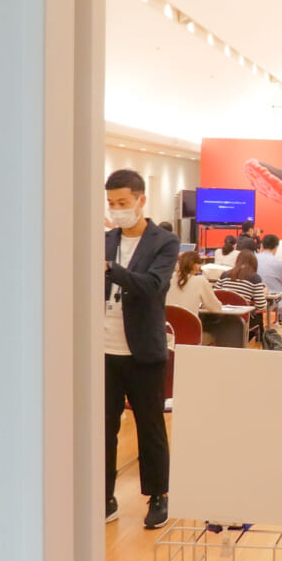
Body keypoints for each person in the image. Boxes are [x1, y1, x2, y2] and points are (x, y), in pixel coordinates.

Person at [103, 168, 179, 529]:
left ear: (141, 200)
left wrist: (110, 269)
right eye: (111, 203)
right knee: (103, 429)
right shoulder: (105, 240)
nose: (117, 210)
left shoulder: (164, 242)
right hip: (104, 350)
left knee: (150, 427)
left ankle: (158, 495)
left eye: (123, 202)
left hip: (144, 352)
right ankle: (104, 495)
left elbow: (152, 286)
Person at [216, 250, 272, 341]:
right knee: (258, 316)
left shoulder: (224, 275)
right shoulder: (255, 278)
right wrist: (264, 294)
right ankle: (260, 340)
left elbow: (215, 295)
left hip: (221, 318)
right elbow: (261, 307)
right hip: (242, 320)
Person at [166, 250, 224, 317]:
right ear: (196, 266)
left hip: (167, 322)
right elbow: (216, 308)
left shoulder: (168, 277)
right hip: (189, 322)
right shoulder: (200, 281)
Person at [255, 234, 282, 316]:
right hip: (275, 300)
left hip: (254, 299)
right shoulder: (280, 263)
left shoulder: (252, 259)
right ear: (276, 247)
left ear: (262, 245)